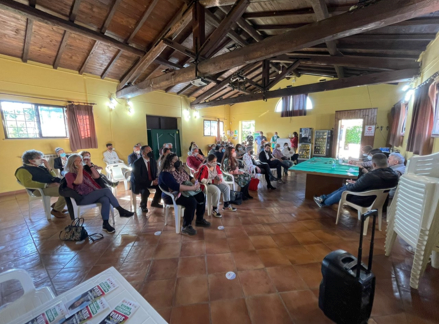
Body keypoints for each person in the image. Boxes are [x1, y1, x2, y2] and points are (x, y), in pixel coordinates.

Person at [64, 154, 134, 233]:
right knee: (106, 190)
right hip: (81, 198)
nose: (81, 162)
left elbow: (97, 176)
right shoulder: (68, 175)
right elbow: (78, 182)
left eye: (81, 160)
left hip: (92, 194)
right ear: (73, 162)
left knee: (105, 199)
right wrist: (80, 169)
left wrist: (90, 165)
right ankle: (120, 210)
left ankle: (105, 224)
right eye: (78, 161)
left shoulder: (84, 171)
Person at [313, 153, 399, 208]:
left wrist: (355, 183)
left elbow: (354, 188)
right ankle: (323, 198)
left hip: (364, 200)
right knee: (347, 186)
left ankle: (324, 202)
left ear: (374, 164)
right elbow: (376, 185)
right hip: (380, 202)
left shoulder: (370, 176)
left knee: (345, 188)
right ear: (386, 162)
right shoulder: (394, 175)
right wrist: (358, 183)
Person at [159, 153, 211, 235]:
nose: (178, 162)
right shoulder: (165, 174)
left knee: (200, 195)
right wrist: (192, 188)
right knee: (191, 201)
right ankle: (186, 226)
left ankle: (199, 219)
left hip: (185, 191)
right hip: (173, 195)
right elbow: (176, 187)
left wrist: (195, 183)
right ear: (169, 162)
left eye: (178, 159)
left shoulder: (179, 169)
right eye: (175, 160)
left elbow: (189, 178)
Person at [15, 150, 67, 218]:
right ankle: (56, 210)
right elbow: (28, 183)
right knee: (67, 191)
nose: (41, 159)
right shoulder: (22, 170)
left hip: (49, 187)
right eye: (38, 158)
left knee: (70, 187)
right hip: (38, 190)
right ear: (31, 160)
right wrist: (47, 185)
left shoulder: (40, 167)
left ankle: (57, 205)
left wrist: (48, 167)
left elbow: (53, 176)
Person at [131, 145, 163, 213]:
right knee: (145, 191)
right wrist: (151, 182)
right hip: (139, 183)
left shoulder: (152, 161)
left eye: (151, 150)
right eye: (148, 151)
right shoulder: (137, 163)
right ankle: (143, 206)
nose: (150, 152)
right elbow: (138, 178)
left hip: (150, 180)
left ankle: (155, 202)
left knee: (161, 186)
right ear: (143, 153)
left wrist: (156, 179)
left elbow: (155, 172)